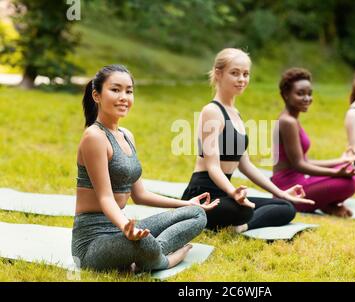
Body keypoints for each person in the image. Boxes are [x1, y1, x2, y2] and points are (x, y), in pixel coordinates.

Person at [72, 64, 219, 273]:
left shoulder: (126, 135)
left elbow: (140, 195)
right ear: (96, 95)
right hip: (92, 243)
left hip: (122, 229)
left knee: (196, 214)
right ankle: (163, 260)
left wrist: (186, 203)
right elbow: (106, 198)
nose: (124, 97)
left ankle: (149, 255)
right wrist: (126, 229)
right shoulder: (94, 137)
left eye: (129, 91)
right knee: (144, 240)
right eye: (115, 90)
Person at [181, 49, 314, 233]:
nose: (241, 79)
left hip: (226, 193)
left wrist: (281, 192)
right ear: (219, 74)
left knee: (286, 206)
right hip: (204, 194)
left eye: (245, 74)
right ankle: (222, 216)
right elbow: (213, 167)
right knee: (243, 208)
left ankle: (242, 227)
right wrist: (232, 192)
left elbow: (246, 165)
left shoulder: (235, 114)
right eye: (234, 73)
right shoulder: (212, 111)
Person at [271, 68, 355, 218]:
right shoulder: (287, 122)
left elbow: (305, 161)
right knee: (349, 182)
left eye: (309, 93)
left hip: (300, 180)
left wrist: (341, 161)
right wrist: (335, 172)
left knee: (348, 169)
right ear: (286, 95)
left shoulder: (292, 119)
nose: (307, 98)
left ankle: (326, 204)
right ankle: (326, 205)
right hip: (288, 189)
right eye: (300, 93)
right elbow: (299, 165)